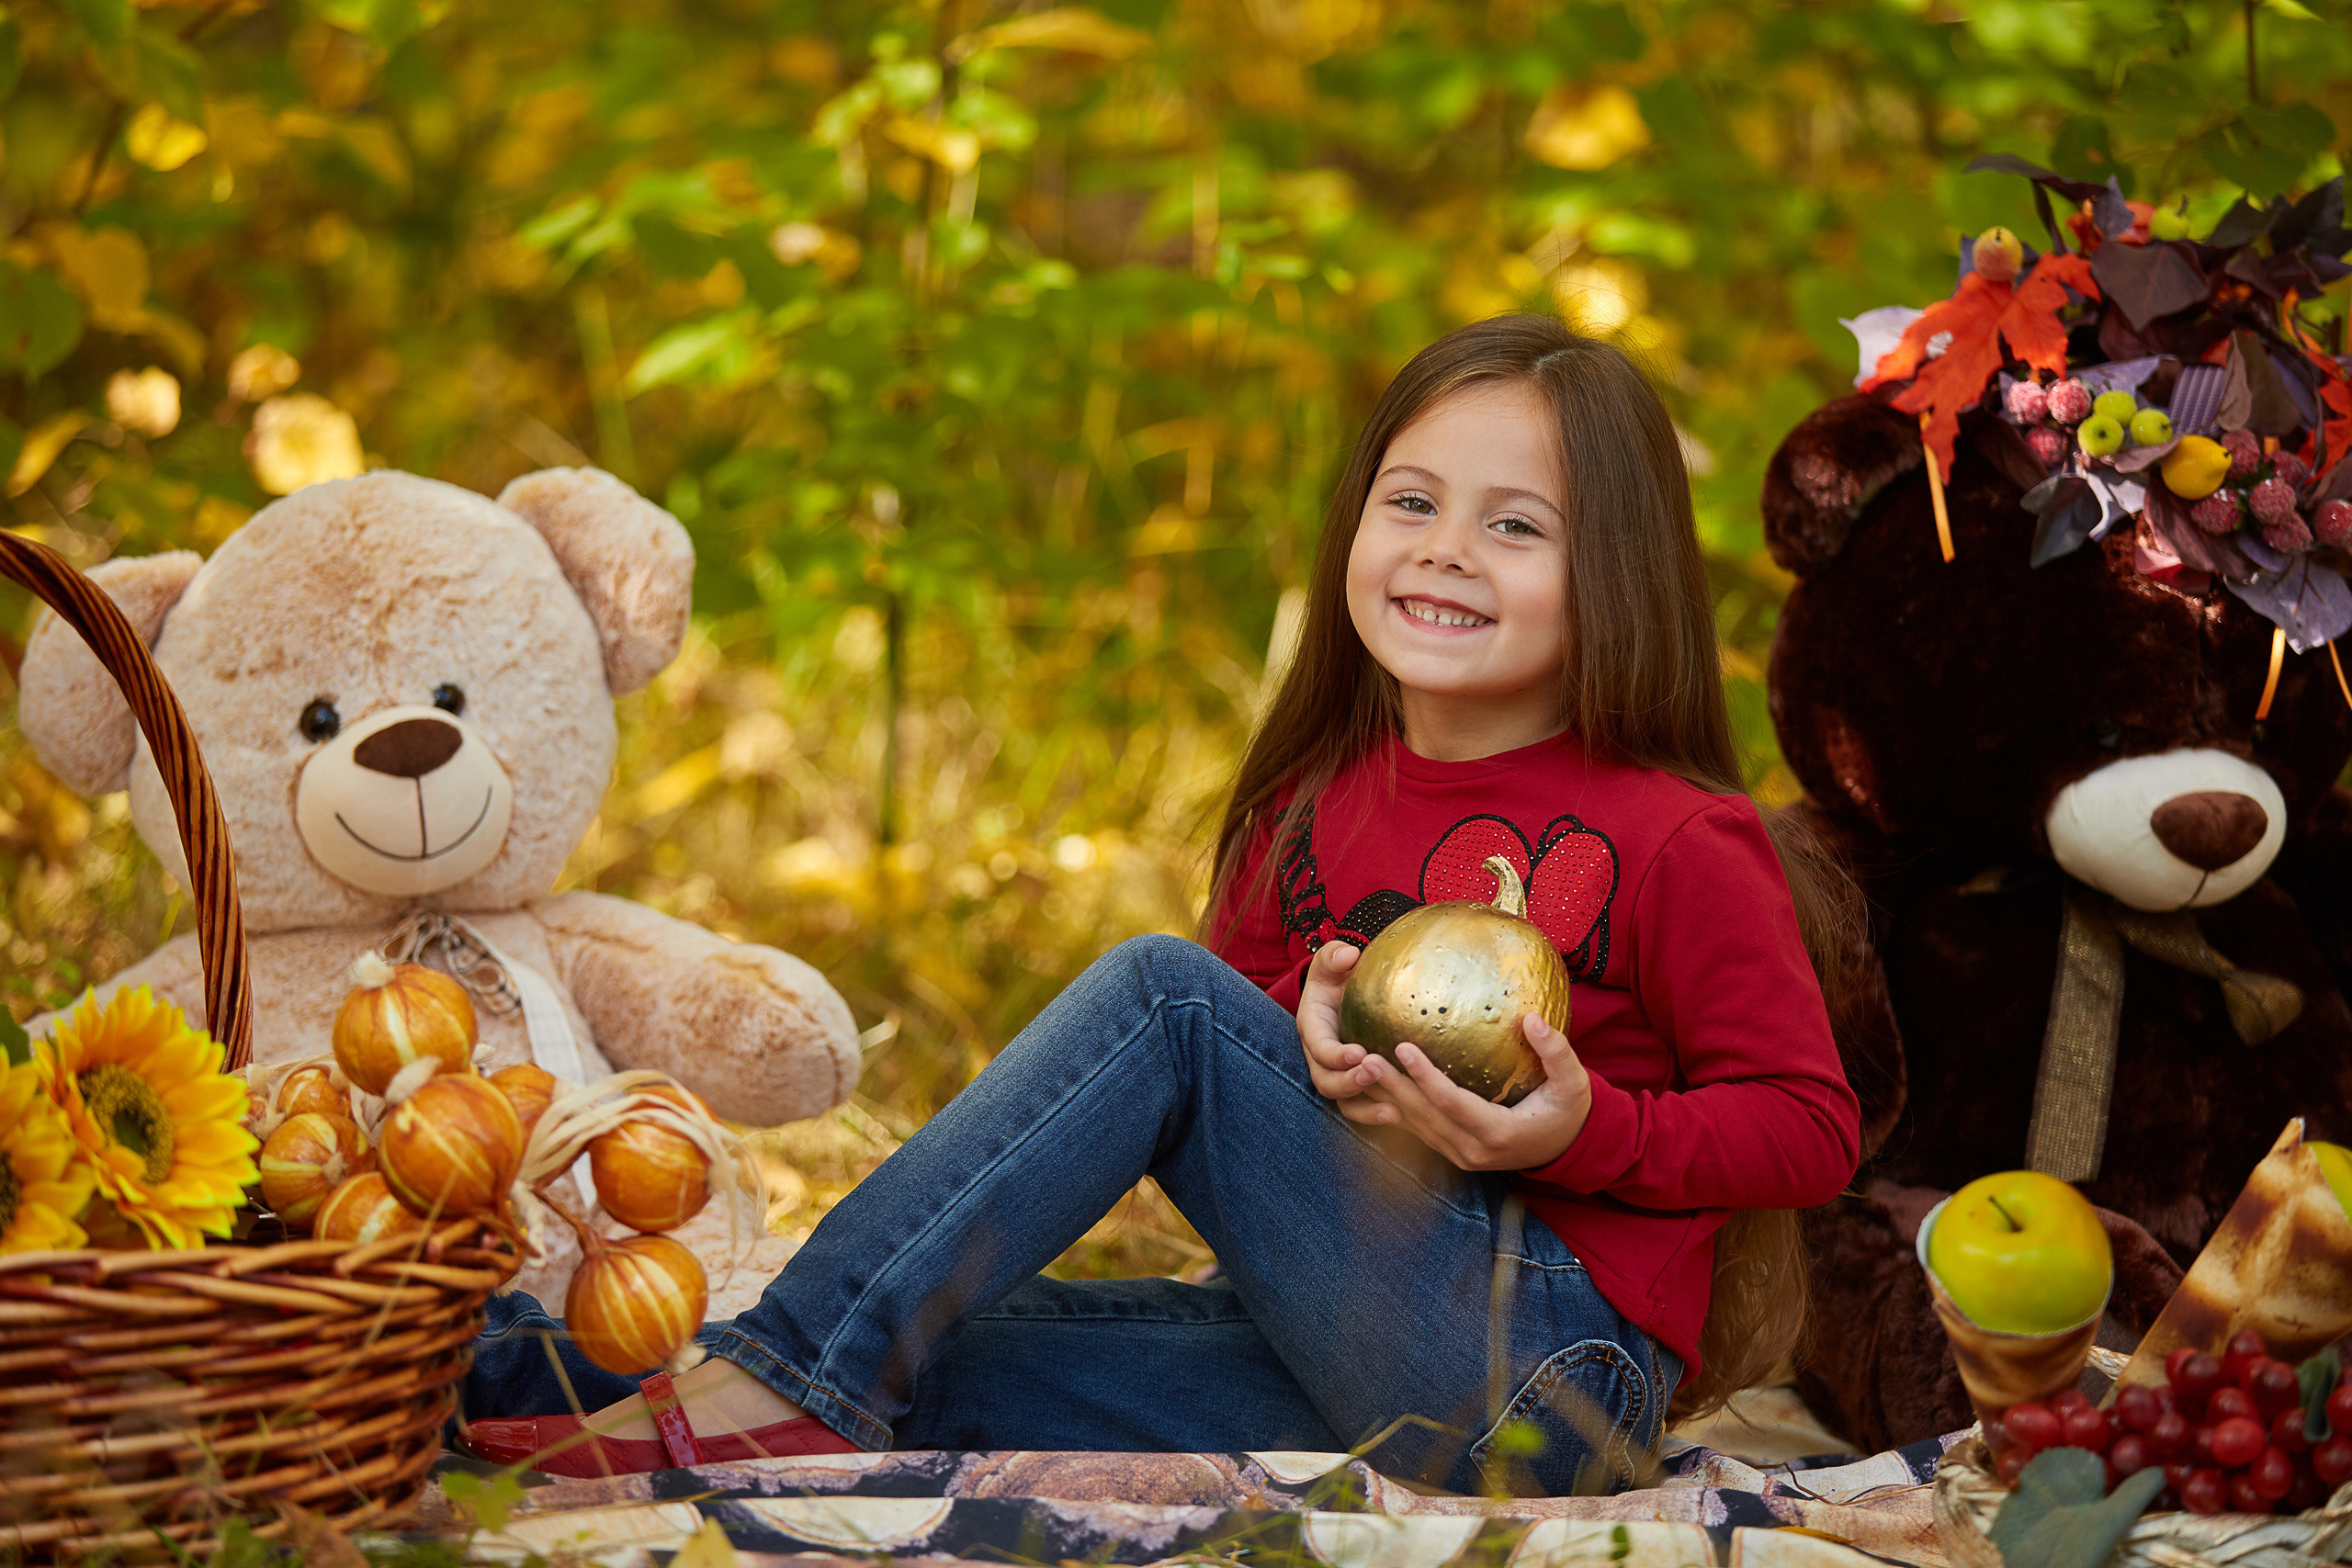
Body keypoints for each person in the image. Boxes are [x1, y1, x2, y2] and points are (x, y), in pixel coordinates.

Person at [458, 314, 1863, 1496]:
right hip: (1356, 1357)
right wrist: (1302, 1037)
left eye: (1515, 525)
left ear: (1613, 569)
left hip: (1548, 1381)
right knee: (929, 1350)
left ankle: (782, 1380)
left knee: (1158, 1000)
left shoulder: (1679, 835)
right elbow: (1239, 1090)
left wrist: (1585, 1128)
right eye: (1412, 502)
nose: (1446, 548)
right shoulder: (1314, 800)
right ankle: (512, 1380)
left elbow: (1808, 1129)